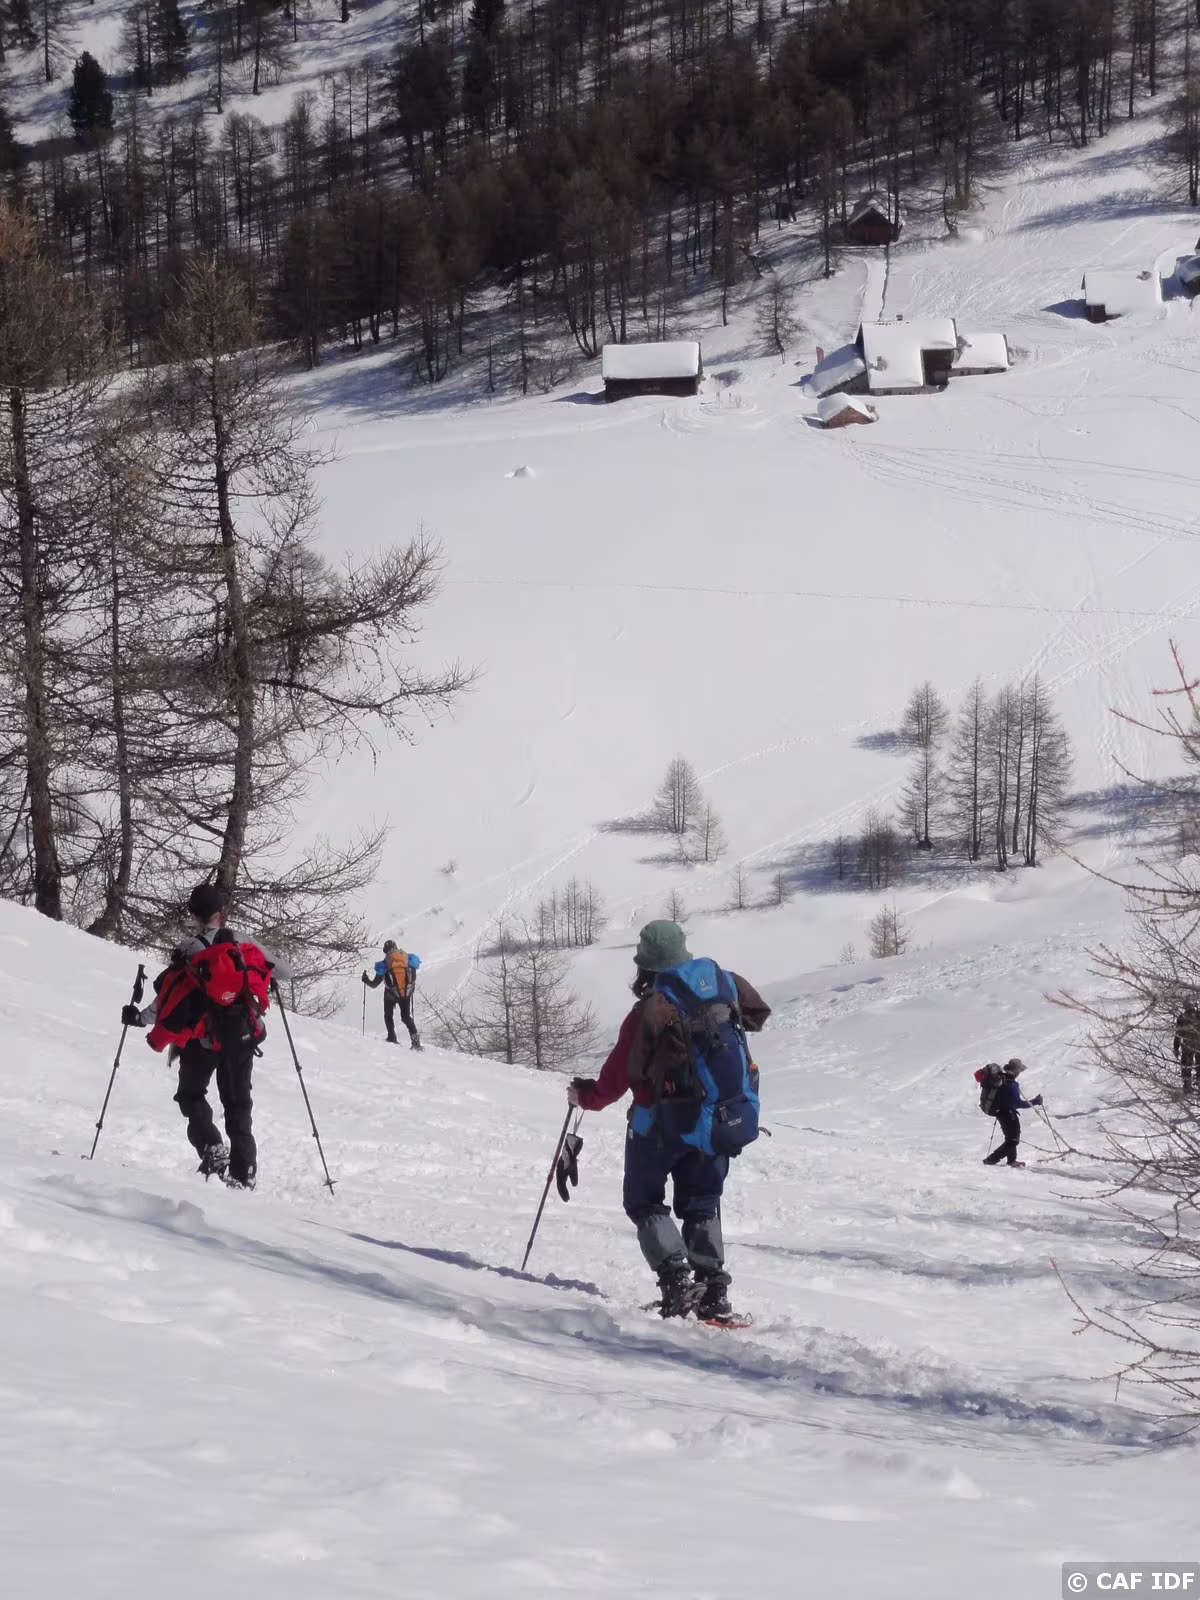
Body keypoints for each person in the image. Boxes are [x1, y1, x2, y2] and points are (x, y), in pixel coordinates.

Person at [568, 920, 770, 1320]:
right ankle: (713, 1291)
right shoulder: (725, 984)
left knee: (644, 1202)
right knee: (702, 1202)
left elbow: (615, 1079)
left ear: (644, 964)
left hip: (657, 1127)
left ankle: (676, 1283)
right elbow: (757, 1015)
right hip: (715, 1119)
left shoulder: (650, 1011)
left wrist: (585, 1097)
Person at [123, 883, 270, 1189]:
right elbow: (282, 971)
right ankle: (244, 1171)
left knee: (190, 1095)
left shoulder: (189, 949)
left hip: (201, 1041)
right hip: (240, 1036)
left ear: (194, 915)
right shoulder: (244, 944)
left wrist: (139, 1018)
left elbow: (169, 998)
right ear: (221, 913)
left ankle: (212, 1148)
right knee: (238, 1103)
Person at [983, 1058, 1042, 1169]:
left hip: (1001, 1113)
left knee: (1010, 1138)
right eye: (1019, 1070)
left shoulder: (1003, 1080)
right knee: (1013, 1141)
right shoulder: (1010, 1083)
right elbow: (1018, 1103)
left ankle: (1012, 1161)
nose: (1019, 1073)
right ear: (1015, 1070)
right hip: (1008, 1114)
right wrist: (1036, 1101)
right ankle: (991, 1160)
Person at [362, 940, 422, 1049]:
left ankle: (391, 1037)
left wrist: (366, 980)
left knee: (388, 1016)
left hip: (390, 994)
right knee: (406, 1017)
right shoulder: (408, 959)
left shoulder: (385, 964)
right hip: (405, 993)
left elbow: (374, 984)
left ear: (385, 951)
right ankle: (415, 1042)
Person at [1174, 1002, 1200, 1092]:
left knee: (1186, 1065)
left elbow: (1178, 1034)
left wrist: (1176, 1048)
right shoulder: (1198, 1014)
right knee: (1199, 1064)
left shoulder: (1182, 1017)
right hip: (1198, 1045)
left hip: (1187, 1045)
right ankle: (1198, 1082)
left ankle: (1187, 1085)